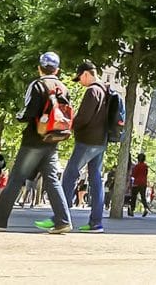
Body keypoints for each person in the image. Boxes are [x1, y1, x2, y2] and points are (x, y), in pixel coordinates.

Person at [0, 52, 73, 234]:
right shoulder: (63, 87)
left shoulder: (38, 85)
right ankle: (63, 220)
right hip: (53, 140)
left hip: (34, 140)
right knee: (52, 180)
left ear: (39, 68)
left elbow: (28, 112)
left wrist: (18, 116)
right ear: (57, 70)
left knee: (16, 179)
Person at [34, 60, 108, 234]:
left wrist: (68, 125)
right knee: (96, 180)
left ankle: (59, 218)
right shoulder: (105, 89)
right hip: (100, 141)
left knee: (69, 176)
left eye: (80, 78)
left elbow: (83, 118)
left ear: (86, 74)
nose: (80, 83)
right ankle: (96, 223)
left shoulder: (93, 91)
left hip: (87, 141)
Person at [129, 153, 151, 217]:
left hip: (136, 183)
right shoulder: (145, 166)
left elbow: (134, 175)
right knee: (143, 196)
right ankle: (146, 208)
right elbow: (146, 174)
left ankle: (132, 210)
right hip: (144, 183)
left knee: (134, 196)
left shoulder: (137, 166)